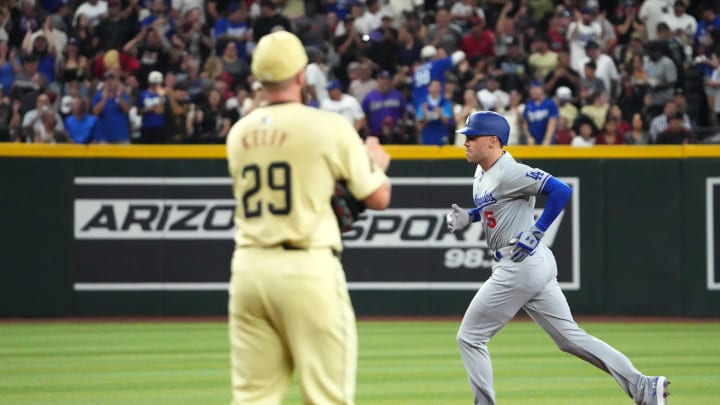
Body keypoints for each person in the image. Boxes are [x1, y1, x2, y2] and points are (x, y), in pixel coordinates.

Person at [445, 110, 670, 405]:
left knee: (470, 338)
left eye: (472, 138)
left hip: (517, 266)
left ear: (492, 141)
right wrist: (471, 217)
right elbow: (496, 205)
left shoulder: (510, 171)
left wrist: (537, 230)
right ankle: (644, 386)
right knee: (570, 338)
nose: (466, 142)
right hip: (531, 265)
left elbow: (561, 191)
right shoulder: (482, 171)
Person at [225, 31, 392, 405]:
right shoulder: (328, 127)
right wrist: (375, 165)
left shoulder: (239, 133)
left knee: (252, 398)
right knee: (326, 398)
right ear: (301, 75)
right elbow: (378, 197)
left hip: (248, 270)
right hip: (306, 267)